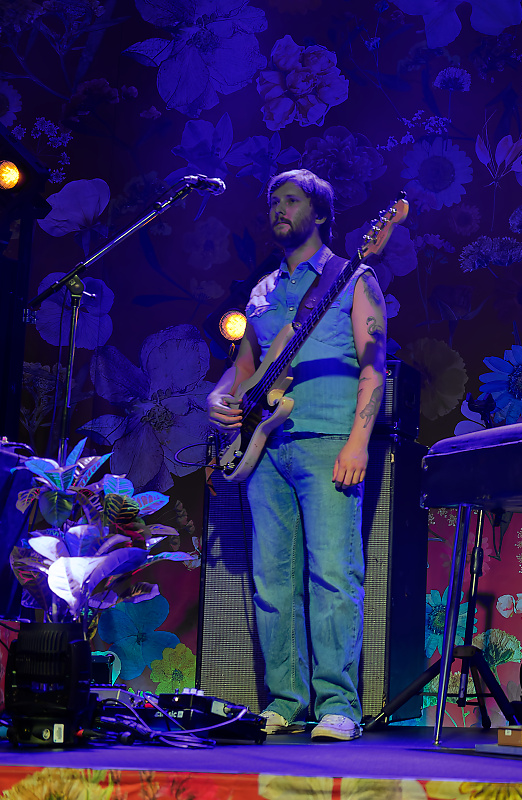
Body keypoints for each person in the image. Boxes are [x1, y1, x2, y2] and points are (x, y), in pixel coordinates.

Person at [206, 169, 387, 742]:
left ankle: (339, 704)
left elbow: (374, 366)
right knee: (272, 579)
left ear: (321, 214)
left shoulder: (353, 278)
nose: (279, 209)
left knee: (333, 574)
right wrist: (218, 398)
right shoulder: (262, 291)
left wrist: (359, 441)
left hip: (328, 440)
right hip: (265, 447)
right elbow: (245, 367)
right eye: (273, 202)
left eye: (292, 200)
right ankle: (286, 699)